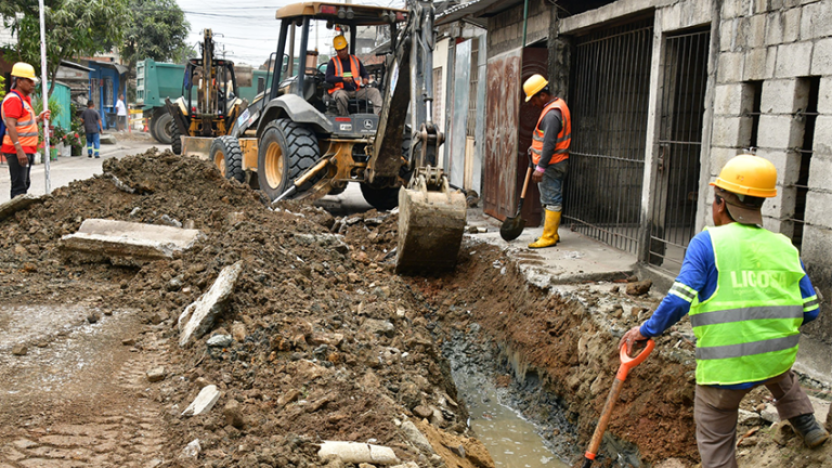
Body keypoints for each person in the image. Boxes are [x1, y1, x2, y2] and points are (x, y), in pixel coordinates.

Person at [619, 154, 828, 468]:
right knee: (780, 371)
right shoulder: (785, 245)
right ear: (760, 204)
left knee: (715, 435)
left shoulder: (707, 244)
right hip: (775, 358)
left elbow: (678, 301)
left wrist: (645, 330)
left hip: (724, 373)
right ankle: (808, 425)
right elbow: (810, 311)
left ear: (720, 203)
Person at [521, 74, 572, 249]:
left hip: (551, 164)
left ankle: (549, 236)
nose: (532, 104)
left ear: (542, 95)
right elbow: (544, 140)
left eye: (533, 100)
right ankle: (552, 233)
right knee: (550, 198)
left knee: (552, 199)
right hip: (554, 161)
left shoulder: (552, 114)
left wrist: (540, 167)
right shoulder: (557, 106)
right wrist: (534, 150)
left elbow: (550, 143)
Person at [1, 62, 51, 199]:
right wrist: (19, 149)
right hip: (17, 149)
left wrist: (38, 118)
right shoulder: (13, 100)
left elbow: (22, 123)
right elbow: (11, 125)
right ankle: (15, 217)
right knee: (19, 186)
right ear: (19, 81)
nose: (32, 84)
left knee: (24, 183)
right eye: (29, 81)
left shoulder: (23, 100)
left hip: (25, 149)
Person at [325, 35, 383, 116]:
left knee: (375, 92)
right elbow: (328, 78)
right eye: (339, 50)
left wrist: (365, 78)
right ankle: (344, 118)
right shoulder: (333, 62)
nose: (342, 52)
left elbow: (364, 73)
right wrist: (342, 79)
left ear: (347, 47)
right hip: (341, 90)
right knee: (341, 97)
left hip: (356, 90)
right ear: (336, 51)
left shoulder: (355, 60)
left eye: (343, 49)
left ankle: (378, 117)